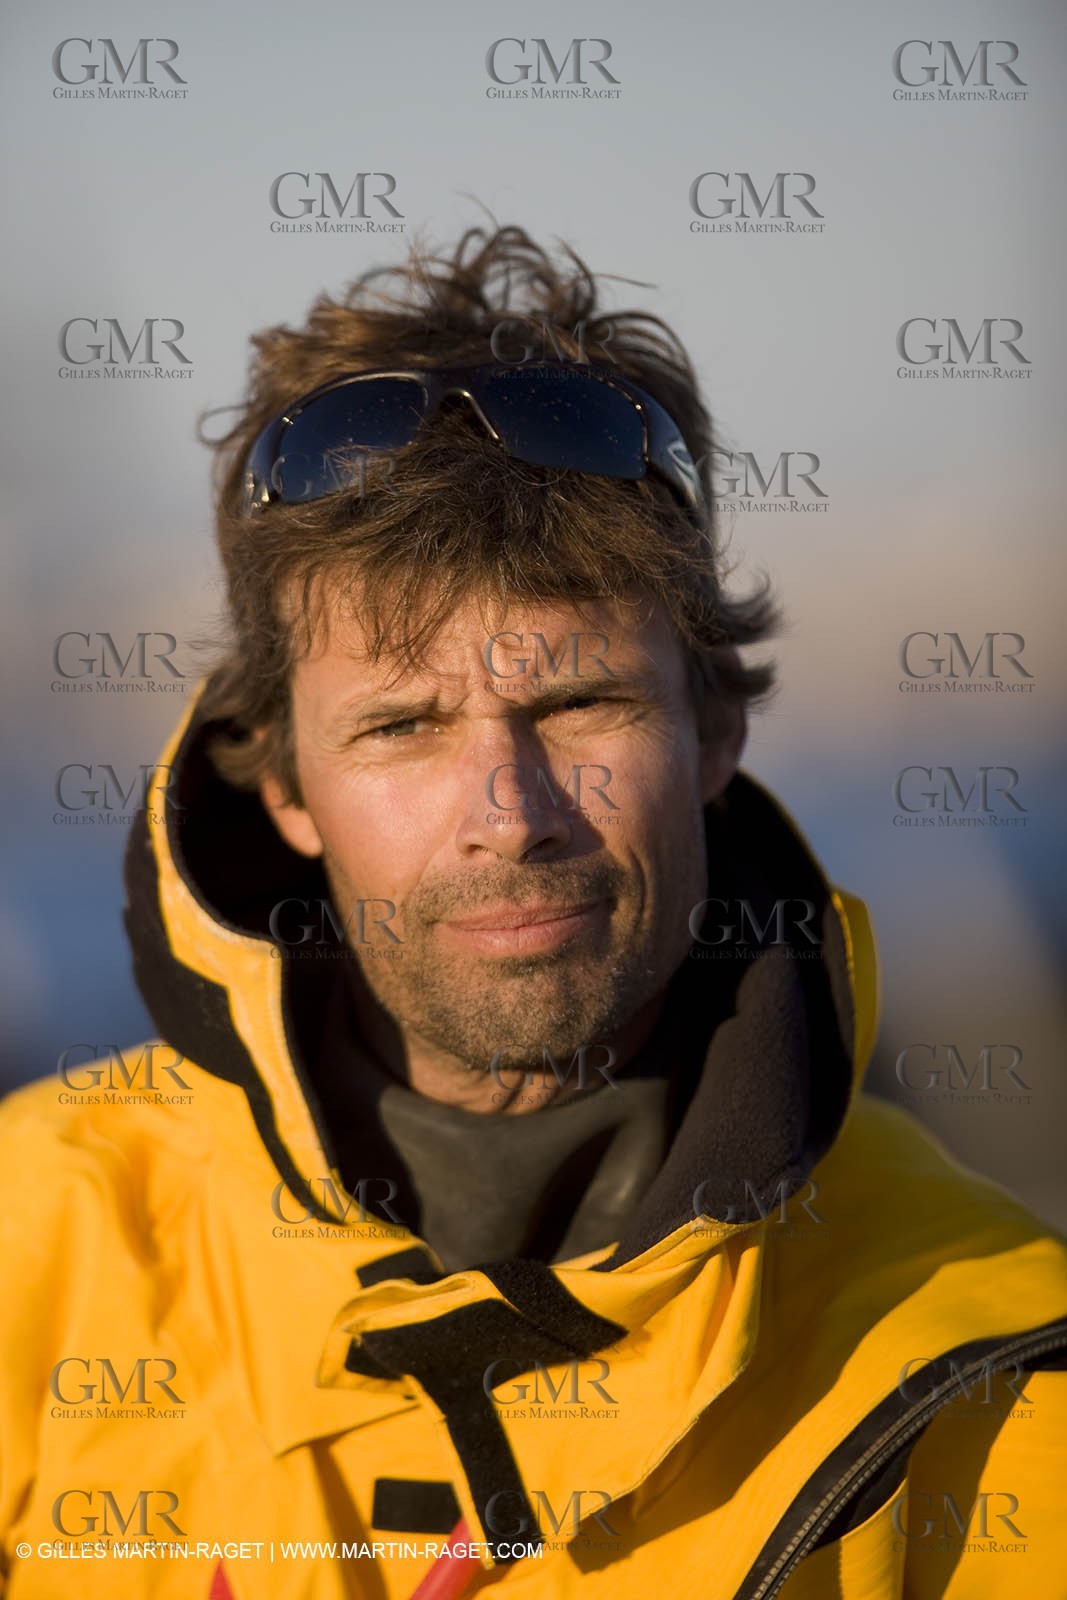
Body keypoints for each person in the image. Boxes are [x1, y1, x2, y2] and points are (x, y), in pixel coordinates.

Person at [2, 226, 1064, 1600]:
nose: (511, 813)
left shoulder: (984, 1372)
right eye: (402, 726)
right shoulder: (39, 1249)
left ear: (715, 728)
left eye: (579, 703)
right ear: (285, 786)